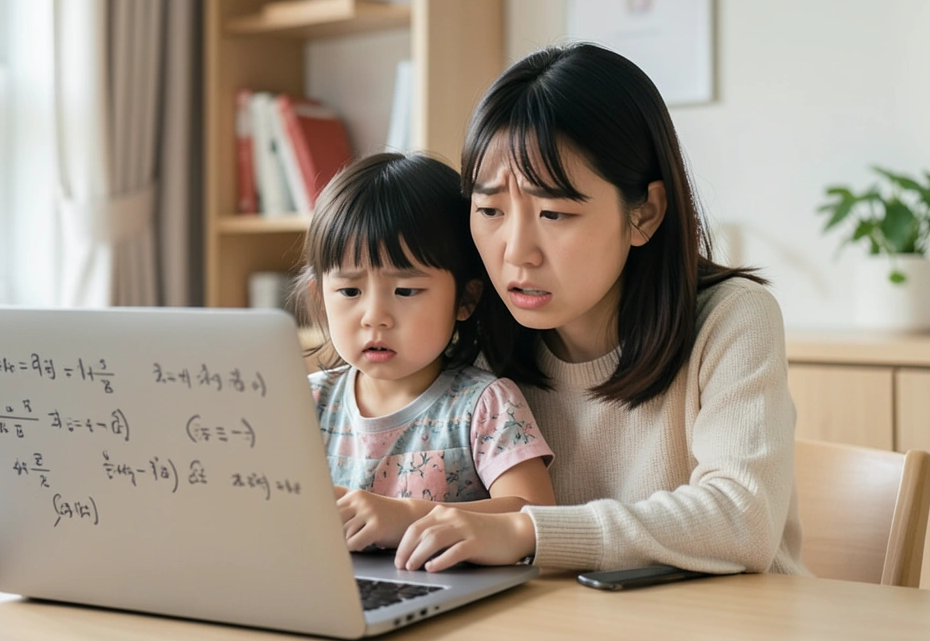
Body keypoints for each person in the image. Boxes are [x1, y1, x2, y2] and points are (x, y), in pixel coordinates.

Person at [392, 43, 808, 576]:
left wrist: (524, 530)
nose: (516, 251)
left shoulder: (733, 321)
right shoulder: (472, 339)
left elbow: (741, 520)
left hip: (730, 637)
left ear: (645, 213)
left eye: (555, 213)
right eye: (490, 209)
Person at [294, 152, 556, 553]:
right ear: (320, 297)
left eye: (405, 291)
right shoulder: (303, 401)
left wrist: (405, 517)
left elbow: (536, 514)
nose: (374, 317)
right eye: (349, 291)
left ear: (465, 300)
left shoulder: (482, 406)